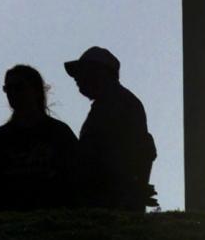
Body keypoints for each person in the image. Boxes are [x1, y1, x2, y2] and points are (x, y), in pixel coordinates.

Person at [64, 46, 157, 211]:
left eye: (83, 72)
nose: (77, 79)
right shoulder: (112, 104)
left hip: (111, 204)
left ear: (101, 73)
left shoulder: (118, 105)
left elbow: (133, 154)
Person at [0, 65, 78, 211]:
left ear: (37, 91)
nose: (12, 93)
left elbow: (77, 181)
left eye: (19, 87)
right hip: (12, 226)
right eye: (8, 89)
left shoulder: (59, 134)